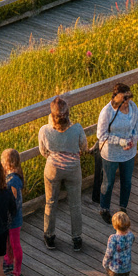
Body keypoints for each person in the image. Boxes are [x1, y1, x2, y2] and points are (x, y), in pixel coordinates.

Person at [39, 96, 88, 250]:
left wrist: (52, 157)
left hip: (53, 168)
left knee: (51, 202)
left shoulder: (45, 130)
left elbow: (43, 151)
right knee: (75, 204)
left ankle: (49, 236)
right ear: (68, 113)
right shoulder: (77, 128)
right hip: (73, 168)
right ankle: (76, 238)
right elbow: (84, 147)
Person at [96, 82, 138, 223]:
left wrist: (133, 140)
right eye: (125, 99)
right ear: (117, 99)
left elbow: (137, 126)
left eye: (129, 97)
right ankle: (104, 208)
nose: (128, 101)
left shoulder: (133, 108)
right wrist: (120, 141)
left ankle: (123, 208)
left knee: (126, 182)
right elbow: (101, 135)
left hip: (129, 153)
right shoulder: (107, 112)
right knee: (108, 183)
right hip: (111, 154)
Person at [0, 148, 24, 276]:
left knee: (15, 244)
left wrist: (9, 214)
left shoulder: (13, 180)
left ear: (7, 163)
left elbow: (16, 201)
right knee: (8, 242)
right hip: (10, 218)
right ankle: (8, 261)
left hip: (13, 219)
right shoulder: (12, 176)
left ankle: (17, 272)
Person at [101, 210, 133, 276]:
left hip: (113, 266)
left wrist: (105, 263)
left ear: (114, 226)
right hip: (126, 265)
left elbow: (109, 252)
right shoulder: (130, 235)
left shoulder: (113, 238)